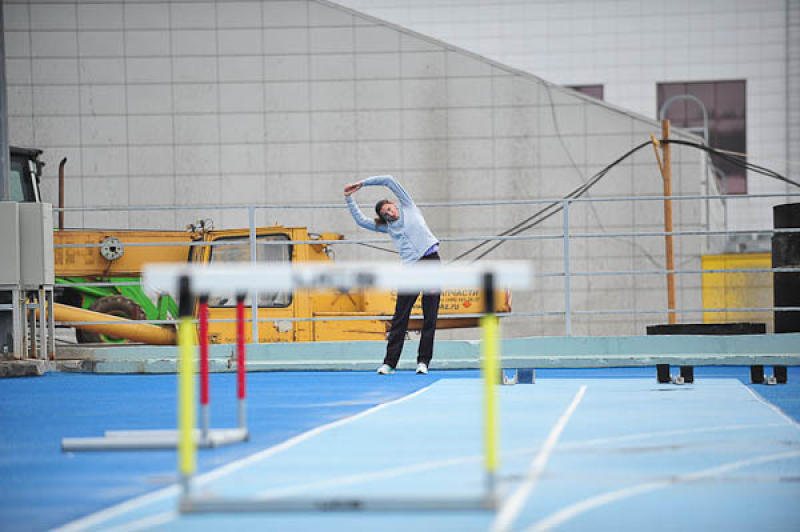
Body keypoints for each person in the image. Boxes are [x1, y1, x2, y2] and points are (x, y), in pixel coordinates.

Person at [344, 175, 441, 375]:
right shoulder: (388, 227)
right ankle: (389, 363)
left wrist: (362, 184)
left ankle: (423, 361)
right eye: (384, 213)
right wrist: (349, 198)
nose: (389, 213)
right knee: (400, 315)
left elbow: (388, 180)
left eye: (389, 208)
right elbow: (361, 221)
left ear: (395, 205)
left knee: (429, 314)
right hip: (410, 270)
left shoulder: (409, 207)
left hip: (431, 262)